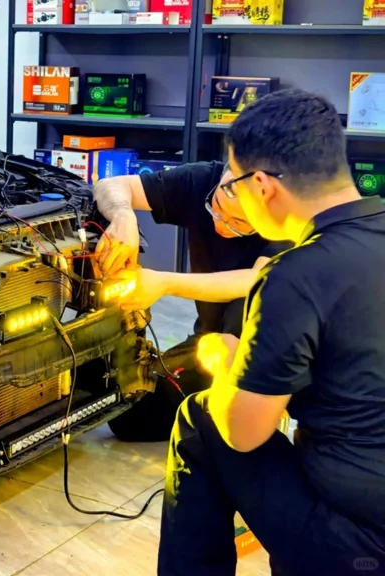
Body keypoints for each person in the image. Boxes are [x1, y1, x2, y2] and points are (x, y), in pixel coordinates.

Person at [159, 89, 385, 576]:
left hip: (360, 542)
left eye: (234, 184)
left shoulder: (294, 275)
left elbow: (244, 434)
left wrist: (227, 359)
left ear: (261, 186)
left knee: (202, 419)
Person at [92, 151, 290, 441]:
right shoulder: (202, 180)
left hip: (260, 353)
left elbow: (254, 280)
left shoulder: (288, 215)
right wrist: (123, 216)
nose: (220, 224)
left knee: (235, 439)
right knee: (131, 418)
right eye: (216, 208)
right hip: (208, 342)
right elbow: (110, 185)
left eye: (238, 223)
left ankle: (257, 407)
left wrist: (164, 283)